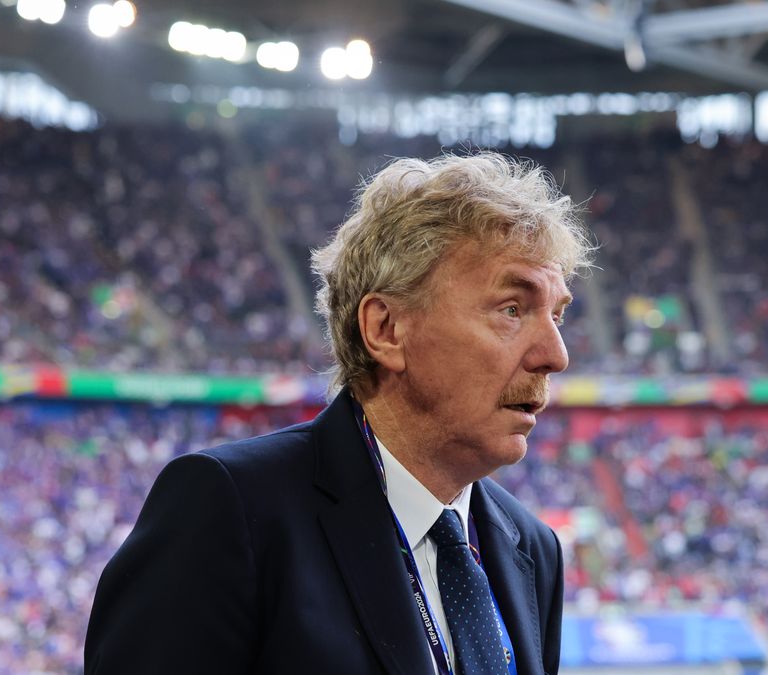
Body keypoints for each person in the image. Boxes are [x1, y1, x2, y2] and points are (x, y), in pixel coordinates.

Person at [84, 151, 595, 674]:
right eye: (512, 309)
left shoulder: (532, 548)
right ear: (386, 329)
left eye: (557, 315)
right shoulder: (230, 511)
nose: (555, 354)